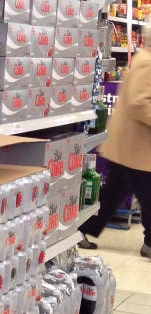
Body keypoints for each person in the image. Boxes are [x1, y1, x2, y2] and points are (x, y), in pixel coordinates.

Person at [80, 24, 151, 257]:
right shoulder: (147, 62)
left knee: (115, 192)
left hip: (130, 144)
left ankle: (84, 229)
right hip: (133, 145)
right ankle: (150, 243)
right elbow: (139, 103)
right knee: (145, 193)